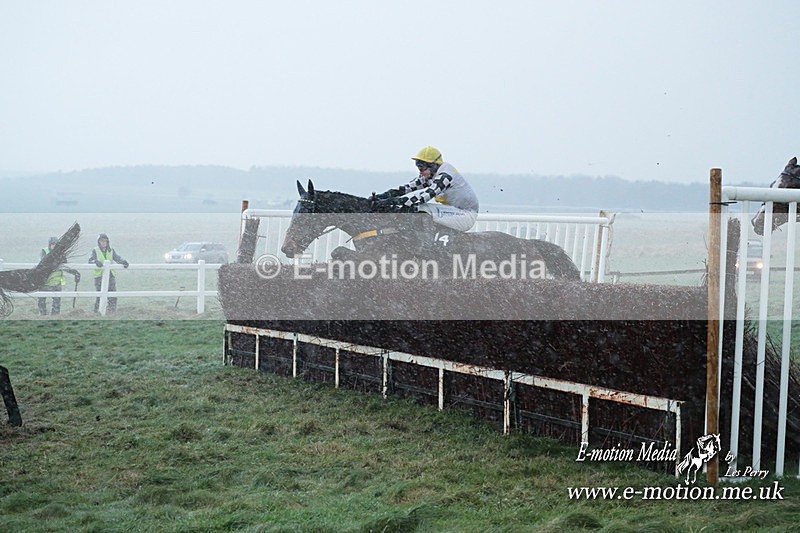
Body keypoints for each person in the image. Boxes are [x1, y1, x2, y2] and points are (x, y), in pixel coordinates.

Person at [374, 146, 479, 232]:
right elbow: (405, 189)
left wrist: (392, 202)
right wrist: (381, 197)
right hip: (454, 212)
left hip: (466, 216)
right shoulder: (430, 174)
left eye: (421, 168)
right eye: (418, 167)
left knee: (422, 208)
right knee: (413, 208)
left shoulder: (445, 177)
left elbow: (424, 197)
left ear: (433, 166)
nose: (420, 172)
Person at [37, 236, 81, 316]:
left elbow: (65, 266)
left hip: (56, 282)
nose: (54, 246)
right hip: (44, 281)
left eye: (56, 244)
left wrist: (75, 272)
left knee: (56, 301)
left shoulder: (61, 254)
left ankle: (55, 316)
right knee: (41, 300)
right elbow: (44, 261)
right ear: (50, 245)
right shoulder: (44, 251)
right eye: (53, 244)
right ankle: (43, 315)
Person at [88, 233, 129, 313]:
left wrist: (123, 262)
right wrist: (96, 262)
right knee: (99, 295)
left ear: (107, 242)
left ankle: (111, 312)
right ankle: (97, 312)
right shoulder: (95, 250)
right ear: (99, 242)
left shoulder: (111, 250)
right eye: (101, 241)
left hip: (110, 275)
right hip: (99, 276)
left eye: (105, 241)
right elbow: (90, 261)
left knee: (112, 295)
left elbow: (117, 258)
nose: (103, 243)